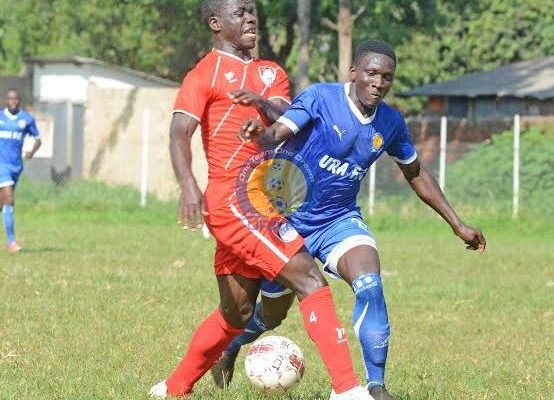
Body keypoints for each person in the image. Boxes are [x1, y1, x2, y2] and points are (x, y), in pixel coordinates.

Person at [211, 39, 487, 400]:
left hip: (337, 220)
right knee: (273, 314)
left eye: (387, 77)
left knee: (370, 283)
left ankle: (375, 387)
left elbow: (416, 173)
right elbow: (277, 133)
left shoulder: (390, 122)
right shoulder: (321, 98)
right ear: (354, 72)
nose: (378, 82)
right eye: (371, 73)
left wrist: (457, 224)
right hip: (284, 220)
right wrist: (259, 135)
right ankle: (232, 345)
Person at [149, 1, 371, 399]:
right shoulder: (203, 74)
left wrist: (259, 105)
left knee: (237, 313)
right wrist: (188, 186)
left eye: (252, 10)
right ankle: (347, 390)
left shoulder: (271, 72)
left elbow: (286, 116)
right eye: (240, 12)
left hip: (263, 200)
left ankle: (173, 388)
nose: (250, 17)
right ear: (216, 23)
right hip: (233, 200)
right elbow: (179, 132)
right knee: (309, 277)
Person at [0, 89, 41, 253]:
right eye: (10, 99)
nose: (13, 102)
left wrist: (32, 152)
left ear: (19, 101)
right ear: (6, 101)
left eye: (16, 99)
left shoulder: (27, 119)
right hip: (1, 165)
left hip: (16, 166)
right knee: (9, 199)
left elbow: (38, 139)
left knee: (3, 203)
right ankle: (12, 243)